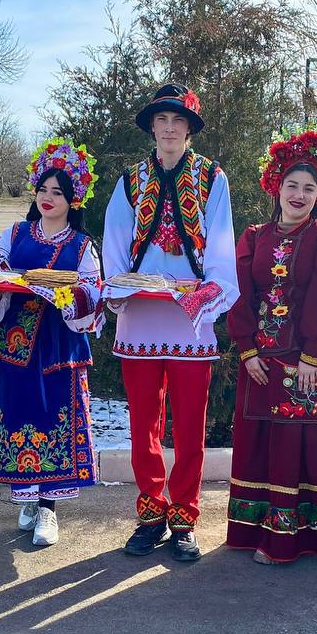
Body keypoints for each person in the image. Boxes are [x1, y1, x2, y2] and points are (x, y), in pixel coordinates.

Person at [102, 83, 238, 561]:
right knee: (144, 424)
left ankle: (184, 517)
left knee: (190, 424)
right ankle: (150, 513)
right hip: (140, 317)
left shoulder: (210, 178)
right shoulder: (130, 181)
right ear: (152, 127)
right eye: (162, 120)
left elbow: (221, 243)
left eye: (178, 121)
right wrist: (122, 287)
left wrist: (208, 295)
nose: (169, 128)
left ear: (189, 129)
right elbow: (115, 243)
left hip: (189, 320)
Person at [225, 127, 317, 564]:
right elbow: (239, 292)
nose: (299, 195)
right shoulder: (253, 237)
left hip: (308, 363)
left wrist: (313, 355)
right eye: (292, 185)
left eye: (309, 188)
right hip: (262, 362)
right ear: (276, 187)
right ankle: (253, 532)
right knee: (264, 444)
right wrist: (246, 350)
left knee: (301, 448)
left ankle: (293, 542)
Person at [0, 138, 104, 547]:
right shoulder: (14, 234)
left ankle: (50, 509)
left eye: (59, 193)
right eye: (43, 190)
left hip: (59, 347)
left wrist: (64, 296)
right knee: (19, 422)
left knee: (57, 423)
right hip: (16, 348)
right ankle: (28, 500)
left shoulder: (82, 246)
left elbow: (92, 292)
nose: (48, 198)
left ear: (73, 200)